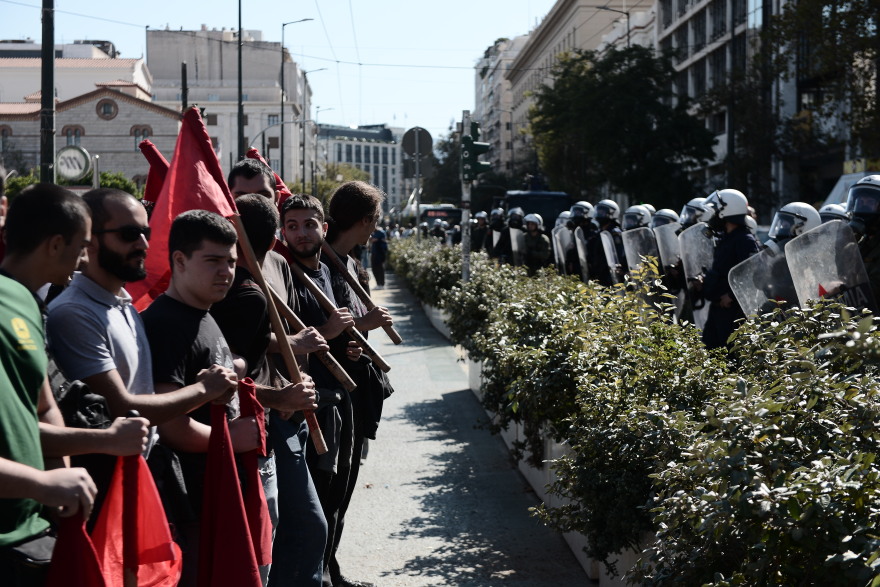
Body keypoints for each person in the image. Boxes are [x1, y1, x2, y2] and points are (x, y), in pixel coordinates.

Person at [0, 183, 147, 585]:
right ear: (55, 244)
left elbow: (41, 412)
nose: (84, 259)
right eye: (82, 246)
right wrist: (43, 483)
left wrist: (64, 487)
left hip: (32, 537)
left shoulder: (29, 304)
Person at [140, 210, 260, 586]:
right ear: (179, 260)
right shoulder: (166, 325)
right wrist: (232, 439)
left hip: (218, 488)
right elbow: (171, 425)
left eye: (231, 262)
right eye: (213, 261)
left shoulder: (203, 313)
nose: (226, 272)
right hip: (193, 502)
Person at [227, 165, 331, 587]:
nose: (251, 205)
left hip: (288, 413)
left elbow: (288, 337)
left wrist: (299, 384)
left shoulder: (277, 262)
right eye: (241, 198)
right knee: (297, 529)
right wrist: (277, 397)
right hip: (255, 416)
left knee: (303, 528)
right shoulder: (224, 269)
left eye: (262, 196)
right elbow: (232, 354)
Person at [279, 194, 366, 587]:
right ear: (283, 232)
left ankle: (330, 572)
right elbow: (282, 342)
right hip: (311, 408)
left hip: (341, 398)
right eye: (292, 226)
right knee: (315, 502)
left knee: (337, 495)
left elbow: (336, 338)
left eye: (309, 224)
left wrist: (348, 346)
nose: (301, 233)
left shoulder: (328, 272)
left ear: (324, 228)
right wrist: (326, 333)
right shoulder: (284, 276)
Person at [324, 181, 395, 587]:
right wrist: (361, 327)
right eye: (375, 221)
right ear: (365, 220)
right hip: (334, 396)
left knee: (345, 486)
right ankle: (324, 573)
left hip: (358, 390)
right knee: (333, 489)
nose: (376, 229)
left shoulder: (351, 263)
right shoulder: (322, 264)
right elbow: (323, 331)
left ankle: (331, 569)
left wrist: (360, 338)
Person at [697, 189, 761, 349]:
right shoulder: (725, 238)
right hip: (717, 308)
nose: (714, 216)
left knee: (731, 354)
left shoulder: (744, 240)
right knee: (710, 351)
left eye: (716, 211)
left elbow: (753, 274)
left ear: (727, 211)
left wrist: (732, 296)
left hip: (732, 311)